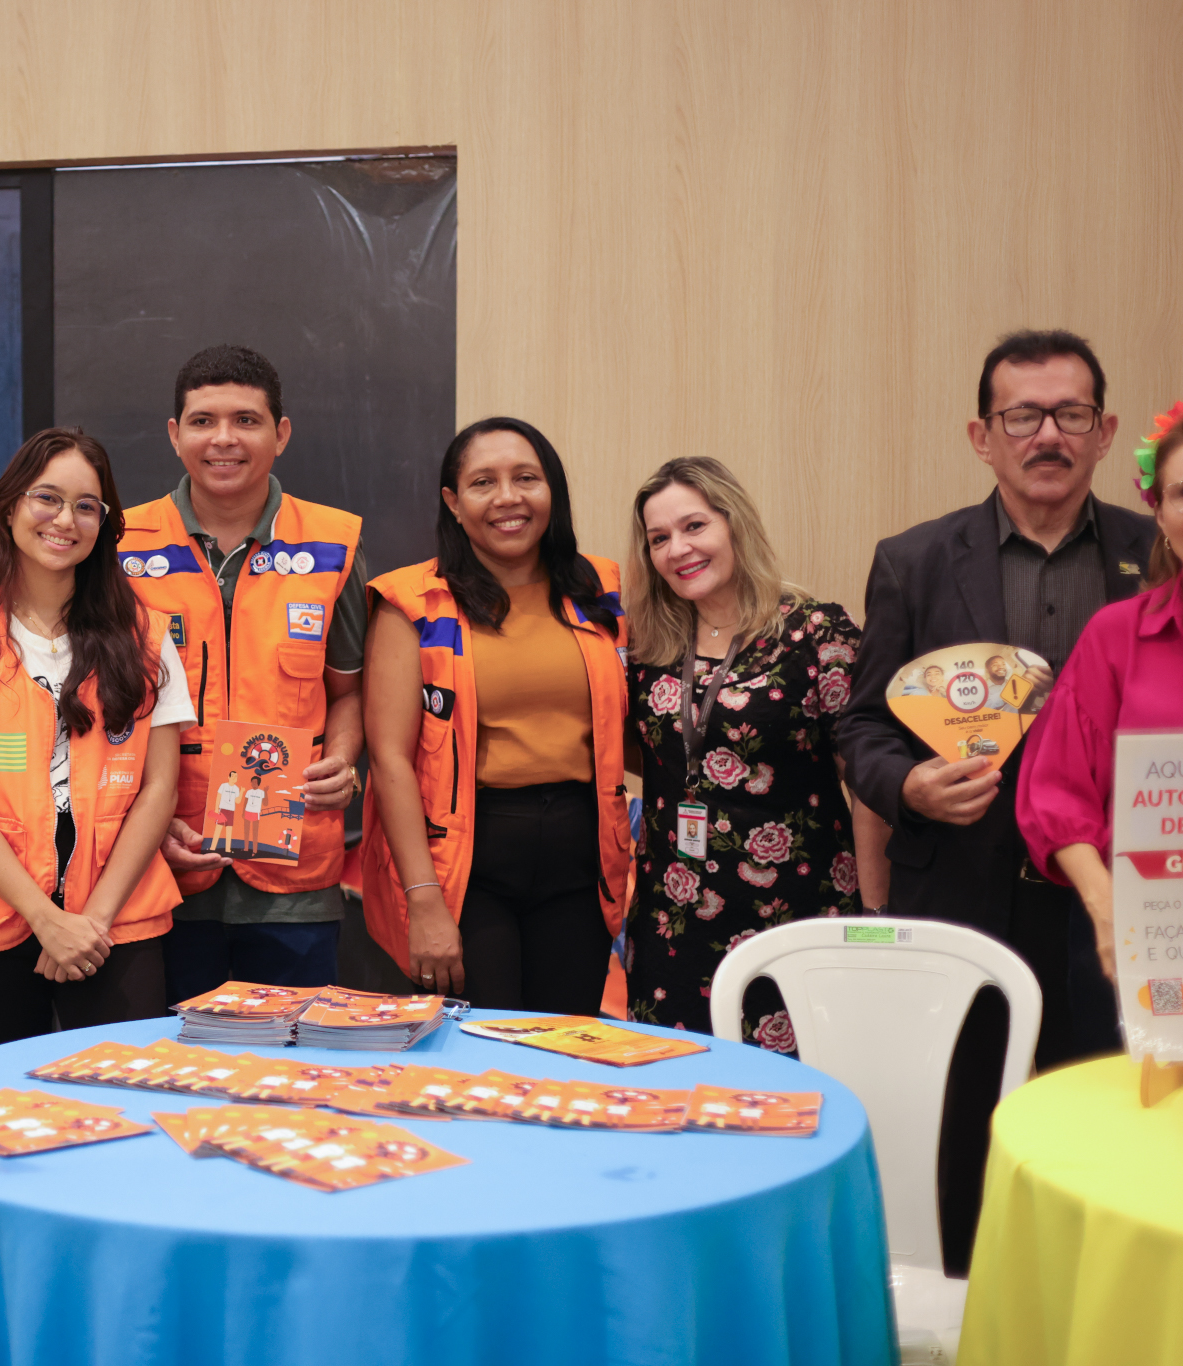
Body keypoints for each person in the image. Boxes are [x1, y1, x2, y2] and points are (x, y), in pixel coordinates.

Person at [836, 328, 1155, 1273]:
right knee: (971, 1124)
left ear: (1105, 433)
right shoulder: (916, 559)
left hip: (1118, 900)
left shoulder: (1159, 551)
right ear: (983, 435)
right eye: (1023, 415)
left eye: (1069, 415)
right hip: (964, 895)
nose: (1045, 435)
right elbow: (862, 729)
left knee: (1114, 1118)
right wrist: (910, 787)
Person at [0, 428, 193, 1053]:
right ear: (10, 508)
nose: (66, 520)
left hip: (118, 920)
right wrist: (45, 920)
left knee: (125, 1107)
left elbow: (158, 786)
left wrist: (89, 924)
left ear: (104, 525)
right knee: (4, 1117)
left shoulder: (145, 635)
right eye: (48, 499)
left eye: (87, 506)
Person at [118, 345, 365, 1002]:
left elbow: (348, 691)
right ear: (175, 435)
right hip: (159, 864)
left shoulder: (332, 545)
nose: (223, 439)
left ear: (280, 434)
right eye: (202, 421)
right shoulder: (118, 547)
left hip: (295, 875)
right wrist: (147, 820)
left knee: (294, 1068)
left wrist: (342, 759)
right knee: (169, 1070)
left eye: (246, 420)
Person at [360, 417, 631, 1014]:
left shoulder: (600, 589)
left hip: (581, 860)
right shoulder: (413, 602)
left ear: (551, 492)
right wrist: (424, 900)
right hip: (465, 866)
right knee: (479, 1050)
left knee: (565, 1046)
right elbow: (389, 760)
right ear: (454, 504)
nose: (508, 498)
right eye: (484, 483)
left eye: (526, 478)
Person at [623, 457, 888, 1045]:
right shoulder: (647, 646)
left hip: (800, 913)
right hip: (674, 920)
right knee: (681, 1094)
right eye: (658, 539)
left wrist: (874, 915)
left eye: (695, 526)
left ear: (734, 523)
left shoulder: (817, 633)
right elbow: (646, 755)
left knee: (793, 1098)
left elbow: (866, 783)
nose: (678, 549)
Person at [1019, 402, 1183, 977]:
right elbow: (1058, 793)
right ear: (1158, 514)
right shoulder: (1116, 636)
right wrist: (1106, 908)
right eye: (1182, 493)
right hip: (1140, 937)